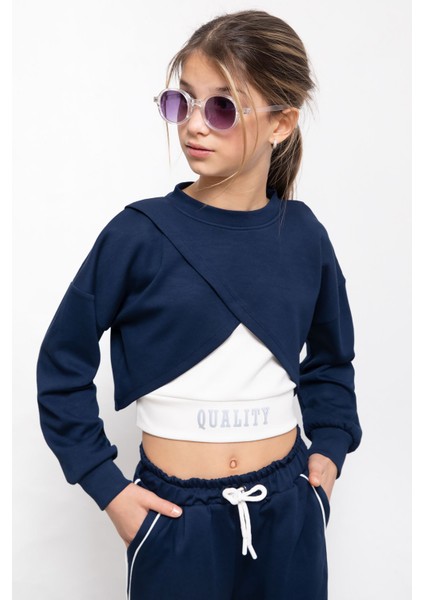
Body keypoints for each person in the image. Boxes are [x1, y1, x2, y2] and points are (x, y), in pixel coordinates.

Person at [36, 9, 362, 600]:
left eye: (222, 108)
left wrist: (330, 453)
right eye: (181, 101)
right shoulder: (138, 234)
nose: (194, 125)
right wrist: (108, 488)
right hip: (174, 519)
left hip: (289, 509)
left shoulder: (304, 237)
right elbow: (62, 366)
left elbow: (332, 360)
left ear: (281, 123)